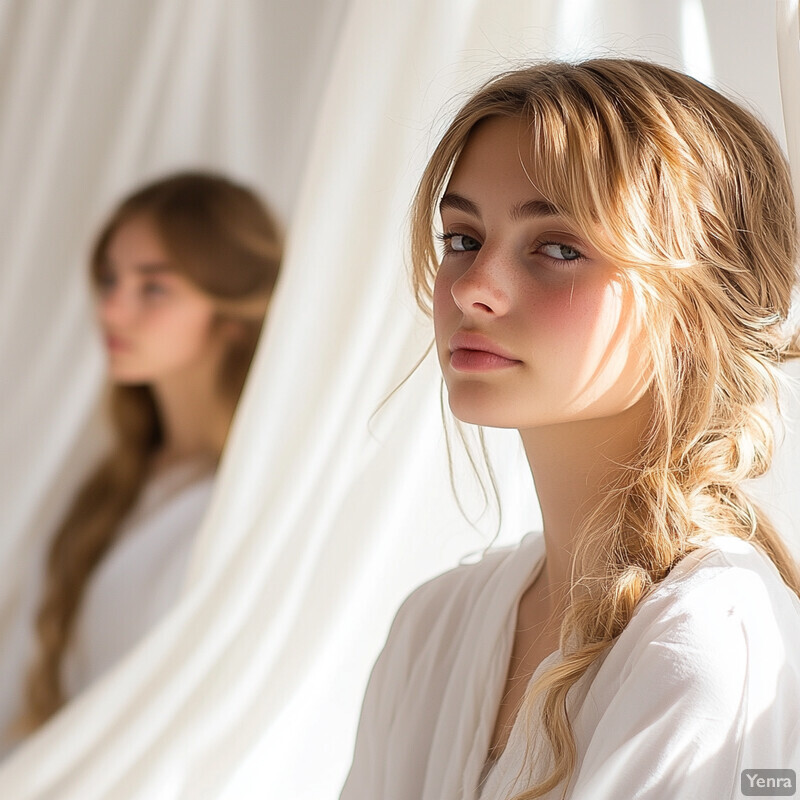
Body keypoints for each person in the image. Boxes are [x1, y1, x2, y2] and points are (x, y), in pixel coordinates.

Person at [340, 59, 800, 800]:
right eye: (462, 237)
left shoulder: (706, 646)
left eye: (558, 247)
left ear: (696, 308)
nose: (474, 288)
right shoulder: (433, 626)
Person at [6, 171, 282, 746]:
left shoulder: (244, 503)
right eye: (109, 279)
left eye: (152, 288)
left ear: (231, 315)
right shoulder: (113, 478)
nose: (111, 308)